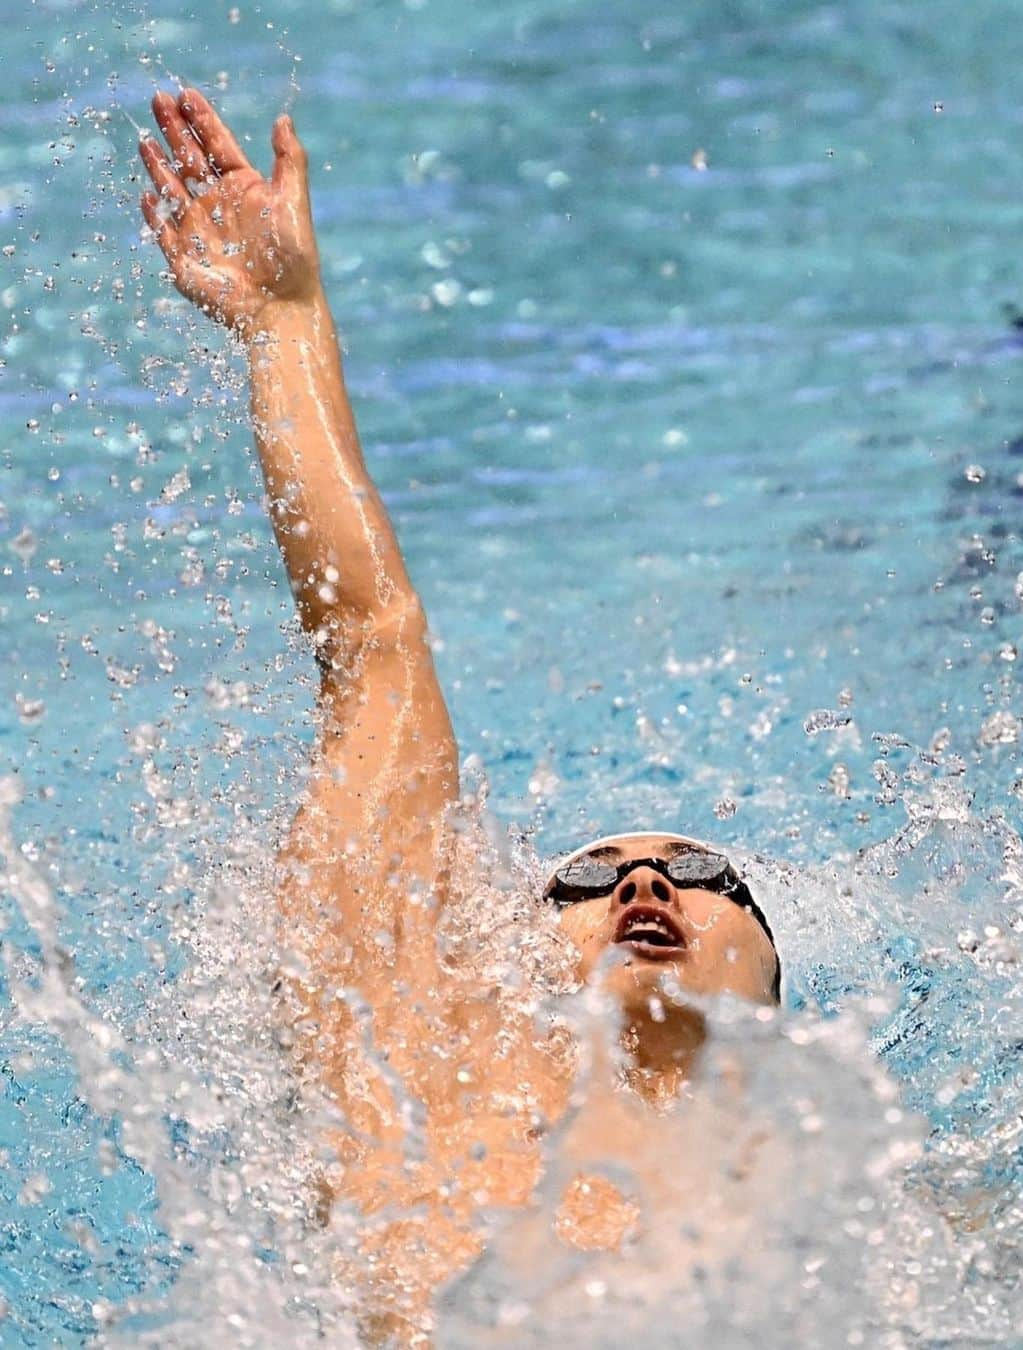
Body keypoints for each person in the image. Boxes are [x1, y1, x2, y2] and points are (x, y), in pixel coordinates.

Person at [138, 87, 783, 1342]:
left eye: (700, 871)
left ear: (777, 983)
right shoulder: (418, 1097)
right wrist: (284, 325)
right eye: (587, 882)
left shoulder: (879, 1220)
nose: (641, 886)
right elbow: (376, 646)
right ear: (497, 956)